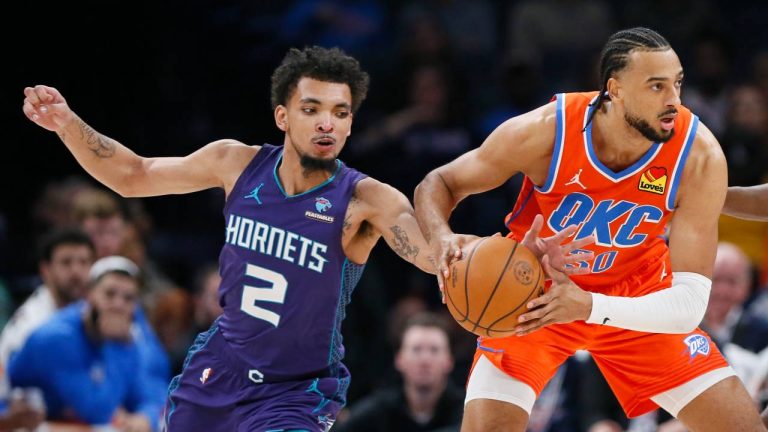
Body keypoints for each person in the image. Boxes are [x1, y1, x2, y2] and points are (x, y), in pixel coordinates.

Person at [23, 46, 451, 432]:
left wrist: (481, 250)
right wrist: (66, 123)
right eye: (312, 108)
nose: (327, 123)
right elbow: (133, 176)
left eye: (341, 113)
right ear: (283, 116)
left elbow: (433, 255)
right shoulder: (235, 163)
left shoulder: (364, 199)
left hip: (294, 391)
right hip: (219, 369)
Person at [414, 27, 766, 431]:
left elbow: (689, 306)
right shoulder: (544, 131)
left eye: (678, 83)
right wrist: (442, 239)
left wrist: (590, 307)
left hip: (638, 297)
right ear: (614, 89)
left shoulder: (698, 156)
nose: (674, 101)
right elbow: (439, 183)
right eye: (656, 87)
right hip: (533, 292)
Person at [8, 256, 163, 431]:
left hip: (63, 420)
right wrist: (118, 346)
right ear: (89, 295)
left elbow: (150, 392)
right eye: (109, 294)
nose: (118, 305)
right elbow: (97, 412)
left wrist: (145, 418)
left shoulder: (128, 333)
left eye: (128, 298)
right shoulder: (57, 337)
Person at [0, 229, 95, 401]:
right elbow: (15, 393)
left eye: (83, 262)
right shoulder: (31, 324)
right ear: (46, 270)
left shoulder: (95, 311)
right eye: (66, 263)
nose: (76, 272)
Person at [336, 311, 464, 432]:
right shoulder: (378, 411)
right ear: (399, 359)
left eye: (434, 350)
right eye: (416, 349)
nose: (425, 360)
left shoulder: (468, 411)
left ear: (449, 360)